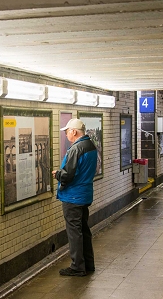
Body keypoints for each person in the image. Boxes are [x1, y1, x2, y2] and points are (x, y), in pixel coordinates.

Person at [52, 118, 98, 276]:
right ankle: (88, 264)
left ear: (73, 131)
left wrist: (57, 174)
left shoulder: (75, 149)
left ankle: (77, 267)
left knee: (74, 233)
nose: (66, 135)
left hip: (73, 197)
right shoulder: (90, 146)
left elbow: (68, 175)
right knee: (84, 230)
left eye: (67, 132)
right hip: (84, 195)